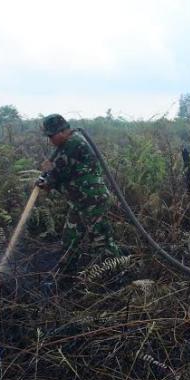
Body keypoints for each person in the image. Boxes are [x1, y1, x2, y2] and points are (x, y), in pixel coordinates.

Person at [37, 114, 123, 277]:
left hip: (92, 201)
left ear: (62, 131)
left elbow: (57, 173)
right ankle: (67, 273)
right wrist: (46, 180)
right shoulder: (66, 144)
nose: (50, 141)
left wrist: (48, 174)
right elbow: (60, 176)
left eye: (51, 136)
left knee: (101, 240)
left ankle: (118, 275)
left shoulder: (74, 144)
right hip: (79, 202)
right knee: (70, 238)